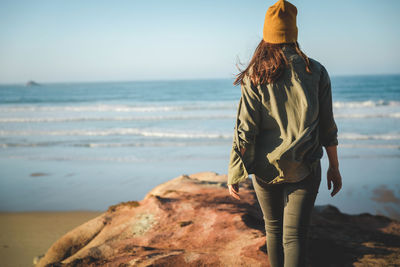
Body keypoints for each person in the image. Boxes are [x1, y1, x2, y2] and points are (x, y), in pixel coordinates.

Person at [226, 0, 343, 266]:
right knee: (295, 237)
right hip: (306, 166)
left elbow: (245, 130)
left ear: (267, 35)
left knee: (274, 232)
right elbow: (328, 126)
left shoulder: (255, 74)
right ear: (294, 33)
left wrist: (235, 171)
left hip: (265, 169)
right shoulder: (317, 71)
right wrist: (334, 167)